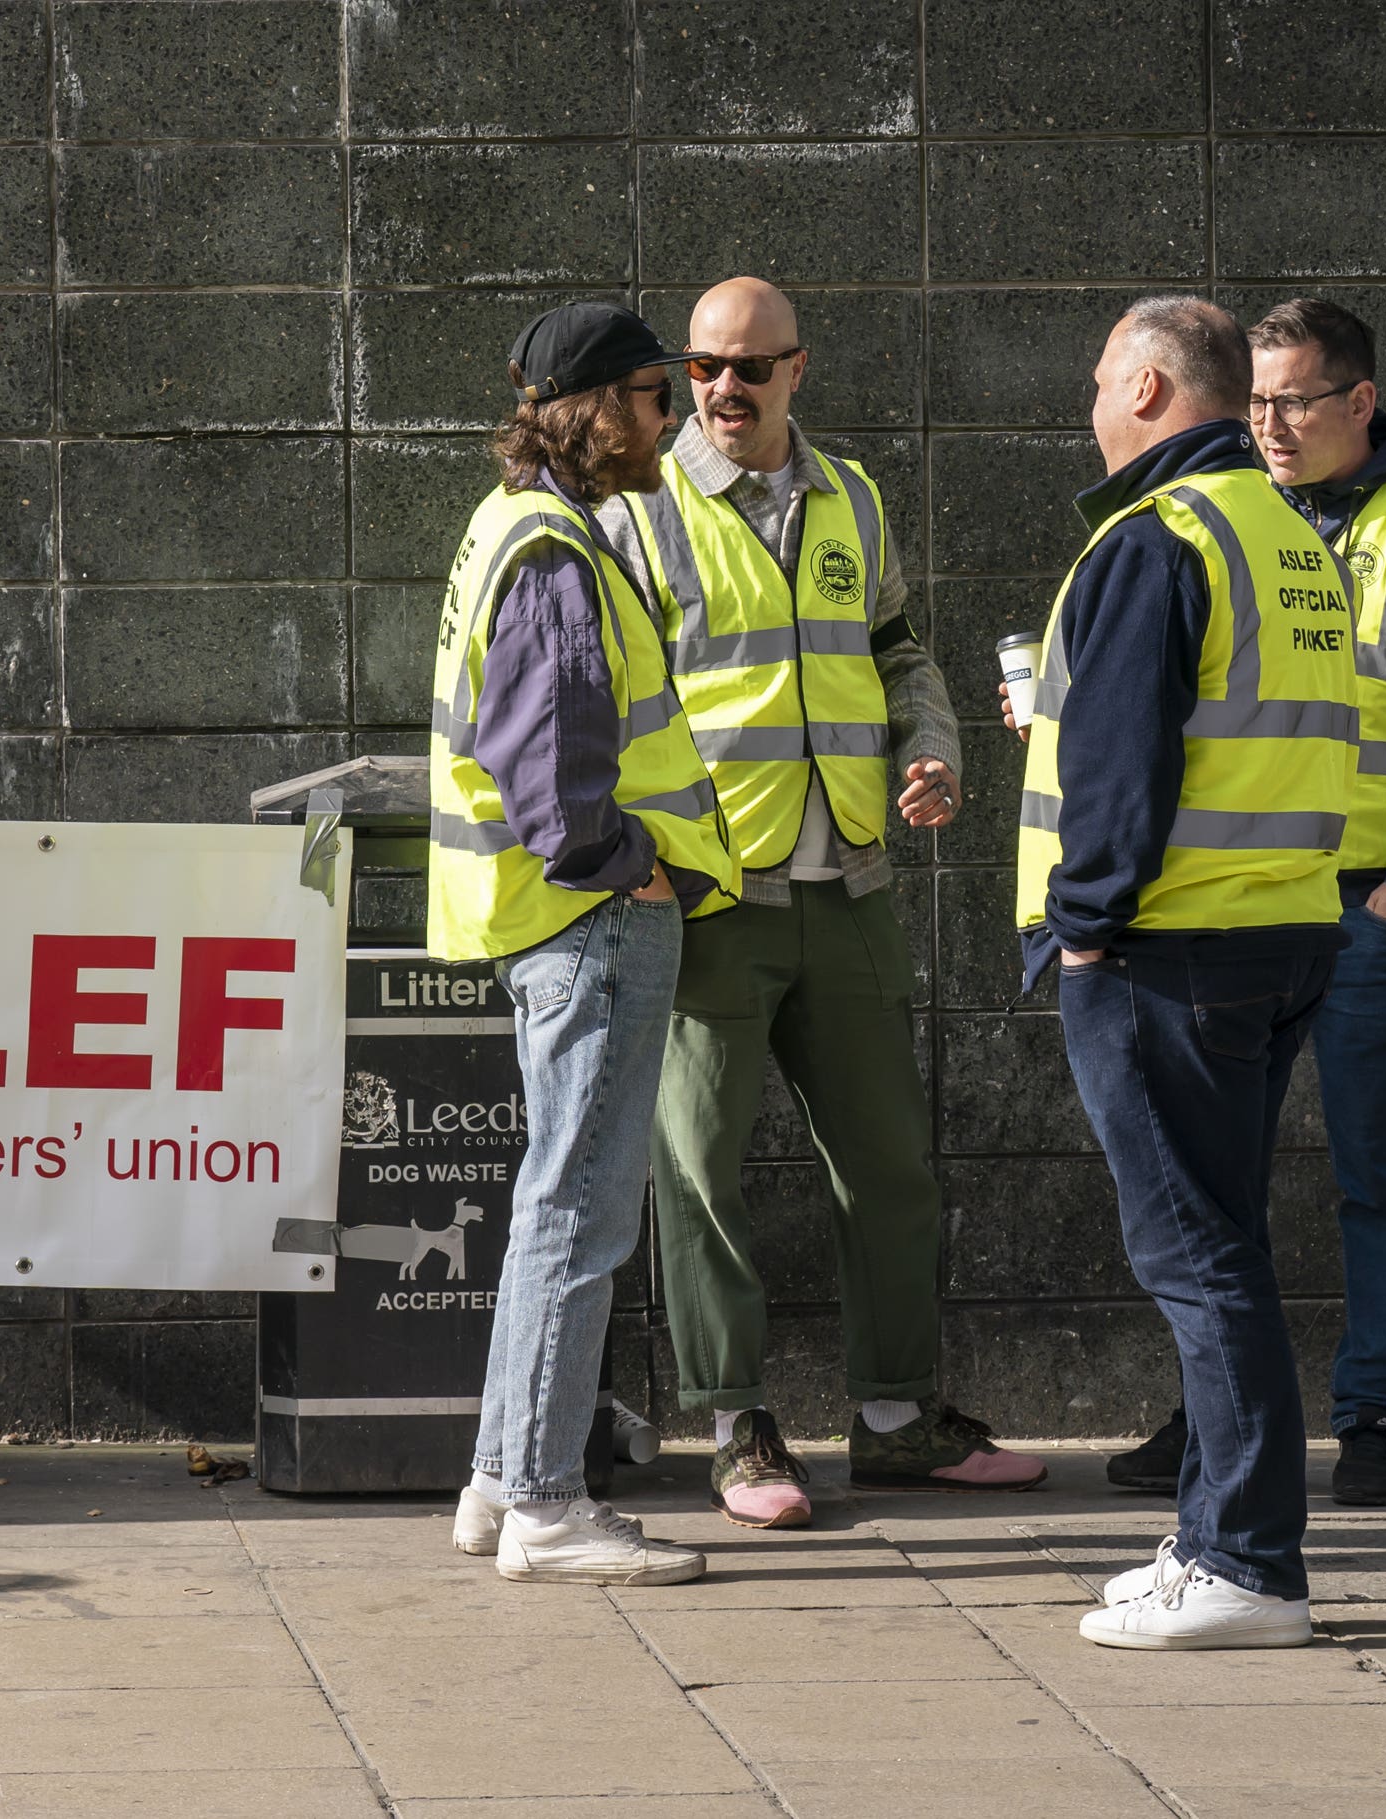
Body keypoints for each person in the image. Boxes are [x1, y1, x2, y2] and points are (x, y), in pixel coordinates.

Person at [593, 277, 1045, 1529]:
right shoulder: (639, 509)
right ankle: (737, 1427)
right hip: (711, 889)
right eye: (699, 369)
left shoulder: (850, 496)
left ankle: (897, 1420)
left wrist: (935, 743)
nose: (721, 391)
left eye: (747, 368)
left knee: (889, 1163)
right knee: (698, 1168)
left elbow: (895, 648)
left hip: (845, 876)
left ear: (799, 370)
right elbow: (611, 687)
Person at [1108, 299, 1386, 1507]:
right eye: (1254, 402)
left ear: (1361, 401)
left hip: (1367, 908)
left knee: (1378, 1169)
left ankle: (1376, 1416)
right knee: (1210, 1175)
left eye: (1294, 400)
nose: (1270, 425)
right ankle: (1212, 1416)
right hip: (1235, 898)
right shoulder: (1227, 514)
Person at [1011, 296, 1358, 1650]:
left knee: (1198, 1254)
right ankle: (1218, 1525)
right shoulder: (1289, 534)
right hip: (1277, 929)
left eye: (1103, 377)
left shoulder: (1156, 537)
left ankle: (1246, 1558)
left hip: (1165, 946)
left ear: (1151, 387)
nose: (1092, 400)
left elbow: (1124, 765)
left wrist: (1085, 921)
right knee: (1225, 1241)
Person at [428, 301, 740, 1586]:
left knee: (550, 1202)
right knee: (580, 1210)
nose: (672, 418)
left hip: (554, 923)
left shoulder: (511, 527)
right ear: (599, 407)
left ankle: (503, 1478)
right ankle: (552, 1501)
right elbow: (551, 770)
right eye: (659, 392)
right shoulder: (556, 546)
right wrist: (641, 872)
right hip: (593, 919)